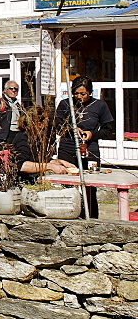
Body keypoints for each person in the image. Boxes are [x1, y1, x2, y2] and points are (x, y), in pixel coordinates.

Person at [55, 75, 114, 217]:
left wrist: (92, 134)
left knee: (90, 186)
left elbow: (108, 129)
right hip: (67, 148)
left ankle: (91, 217)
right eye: (76, 94)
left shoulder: (100, 105)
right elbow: (57, 126)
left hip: (89, 149)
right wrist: (71, 130)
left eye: (83, 94)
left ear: (90, 92)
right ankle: (68, 216)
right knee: (68, 185)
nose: (79, 97)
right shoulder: (65, 104)